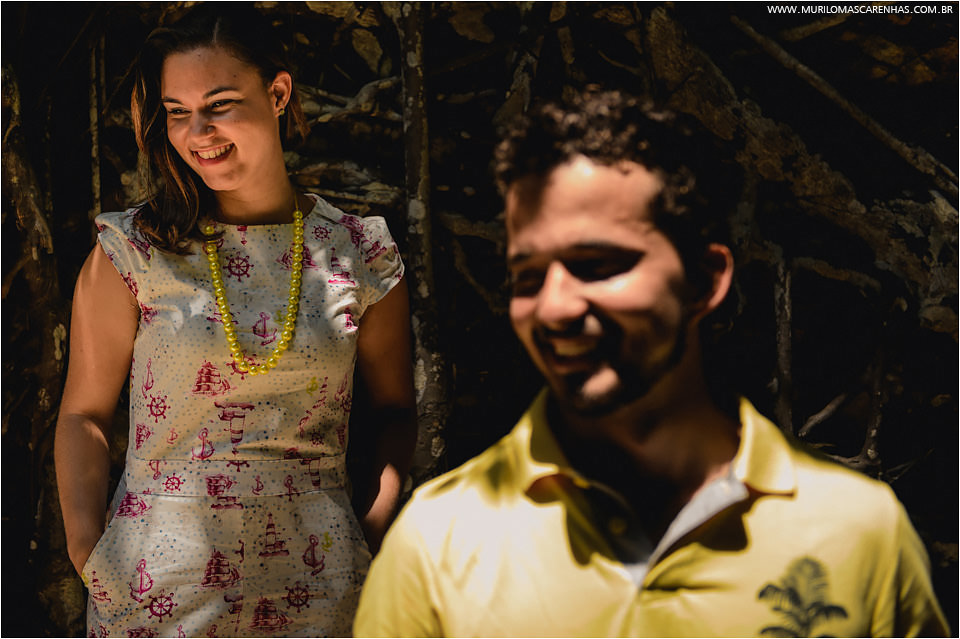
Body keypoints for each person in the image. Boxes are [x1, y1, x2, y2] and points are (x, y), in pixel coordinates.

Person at [354, 90, 949, 637]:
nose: (555, 306)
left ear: (706, 280)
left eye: (599, 264)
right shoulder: (436, 546)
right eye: (527, 276)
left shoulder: (859, 534)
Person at [54, 5, 417, 637]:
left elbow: (395, 412)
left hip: (322, 585)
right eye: (176, 111)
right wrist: (90, 554)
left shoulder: (361, 252)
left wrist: (370, 536)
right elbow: (83, 413)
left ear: (278, 94)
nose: (199, 131)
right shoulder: (131, 250)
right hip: (153, 593)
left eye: (219, 103)